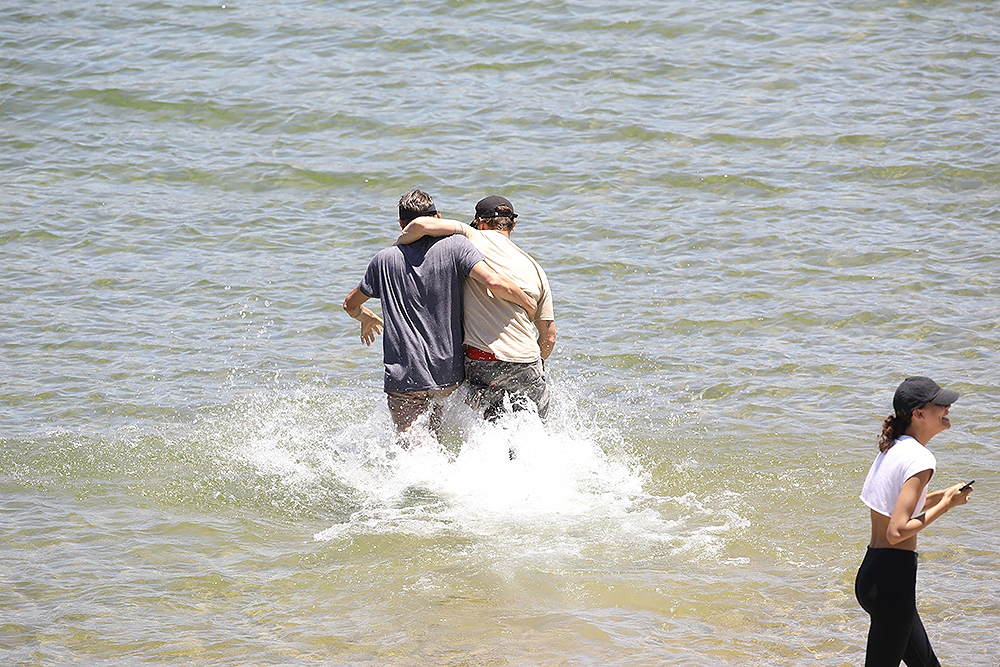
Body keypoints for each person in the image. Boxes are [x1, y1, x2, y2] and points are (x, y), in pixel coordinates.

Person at [343, 189, 536, 435]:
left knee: (415, 451)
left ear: (401, 224)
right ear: (439, 217)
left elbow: (350, 304)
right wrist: (527, 303)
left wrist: (366, 317)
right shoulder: (457, 247)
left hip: (405, 378)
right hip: (448, 375)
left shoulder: (383, 260)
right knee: (439, 440)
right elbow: (493, 282)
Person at [397, 195, 556, 421]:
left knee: (492, 428)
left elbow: (421, 225)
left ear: (480, 222)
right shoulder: (536, 268)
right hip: (526, 361)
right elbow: (549, 337)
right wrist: (534, 365)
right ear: (513, 225)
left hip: (484, 360)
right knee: (534, 429)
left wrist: (392, 253)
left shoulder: (473, 237)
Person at [854, 376, 973, 667]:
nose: (948, 408)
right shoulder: (921, 459)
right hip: (893, 582)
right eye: (941, 404)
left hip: (873, 573)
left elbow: (893, 509)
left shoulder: (893, 449)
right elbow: (897, 531)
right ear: (918, 414)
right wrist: (946, 505)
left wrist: (940, 495)